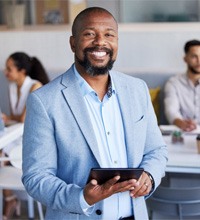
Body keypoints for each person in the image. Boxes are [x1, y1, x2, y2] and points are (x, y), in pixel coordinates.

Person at [22, 7, 168, 220]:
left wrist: (150, 176)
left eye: (109, 34)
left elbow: (156, 150)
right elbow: (36, 177)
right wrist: (82, 197)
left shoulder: (137, 89)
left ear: (117, 41)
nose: (101, 42)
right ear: (73, 43)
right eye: (89, 34)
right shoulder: (44, 101)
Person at [1, 52, 49, 220]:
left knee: (0, 154)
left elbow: (23, 118)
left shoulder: (35, 86)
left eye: (9, 69)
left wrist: (6, 118)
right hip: (18, 135)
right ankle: (10, 197)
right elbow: (16, 118)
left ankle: (10, 199)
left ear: (21, 71)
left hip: (33, 139)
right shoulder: (12, 87)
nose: (5, 73)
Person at [164, 39, 200, 132]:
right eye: (194, 56)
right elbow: (171, 111)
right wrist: (181, 123)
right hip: (183, 133)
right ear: (185, 59)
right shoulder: (173, 83)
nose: (199, 61)